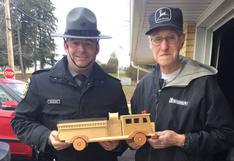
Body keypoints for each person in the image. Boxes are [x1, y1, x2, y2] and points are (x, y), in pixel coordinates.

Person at [11, 7, 129, 161]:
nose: (81, 50)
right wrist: (46, 136)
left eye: (88, 43)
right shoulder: (40, 82)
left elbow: (126, 128)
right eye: (75, 43)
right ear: (65, 45)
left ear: (97, 48)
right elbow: (20, 122)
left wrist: (118, 144)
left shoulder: (112, 86)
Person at [130, 7, 234, 161]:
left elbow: (226, 135)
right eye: (157, 39)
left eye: (170, 38)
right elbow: (135, 127)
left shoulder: (204, 84)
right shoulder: (143, 86)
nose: (164, 46)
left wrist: (180, 140)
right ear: (150, 43)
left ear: (182, 40)